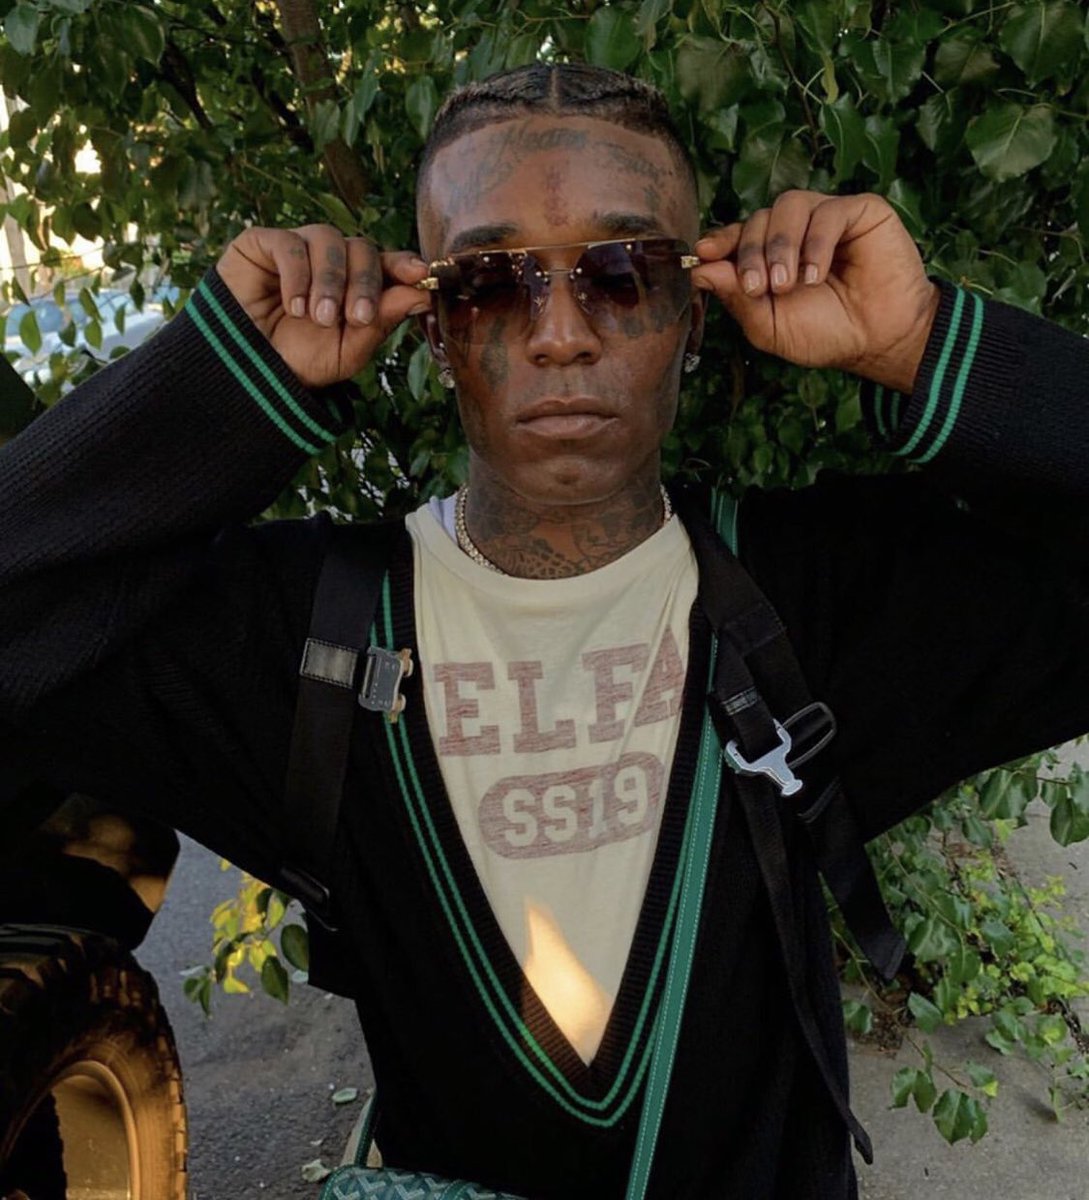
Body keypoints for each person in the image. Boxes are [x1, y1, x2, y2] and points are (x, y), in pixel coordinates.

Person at [2, 61, 1089, 1199]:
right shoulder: (309, 644)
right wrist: (221, 381)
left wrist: (921, 341)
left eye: (623, 273)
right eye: (488, 282)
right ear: (434, 330)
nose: (560, 333)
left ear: (691, 317)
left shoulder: (813, 608)